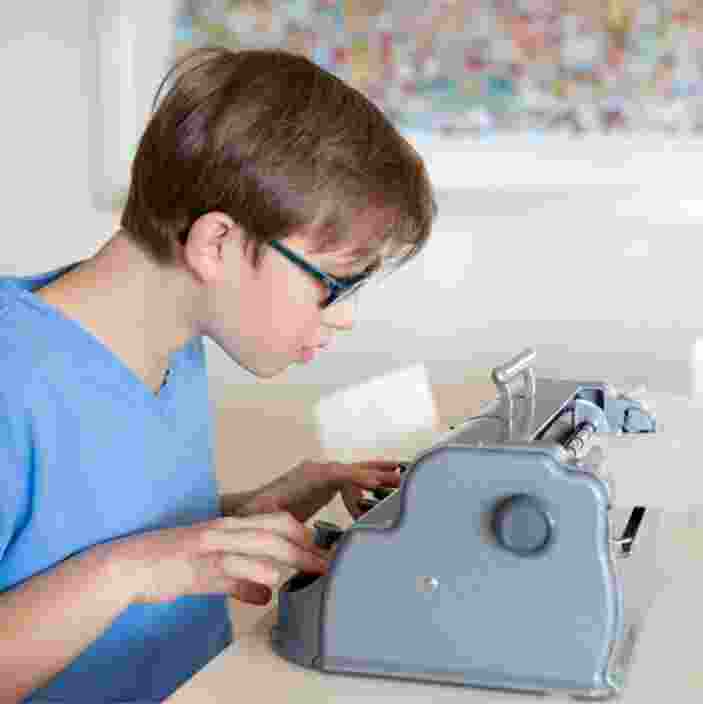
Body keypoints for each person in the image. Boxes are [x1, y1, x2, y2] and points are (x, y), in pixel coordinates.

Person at [0, 47, 435, 702]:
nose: (343, 318)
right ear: (217, 244)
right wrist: (132, 571)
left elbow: (92, 531)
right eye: (334, 284)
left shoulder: (176, 342)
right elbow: (134, 562)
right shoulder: (13, 377)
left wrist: (246, 516)